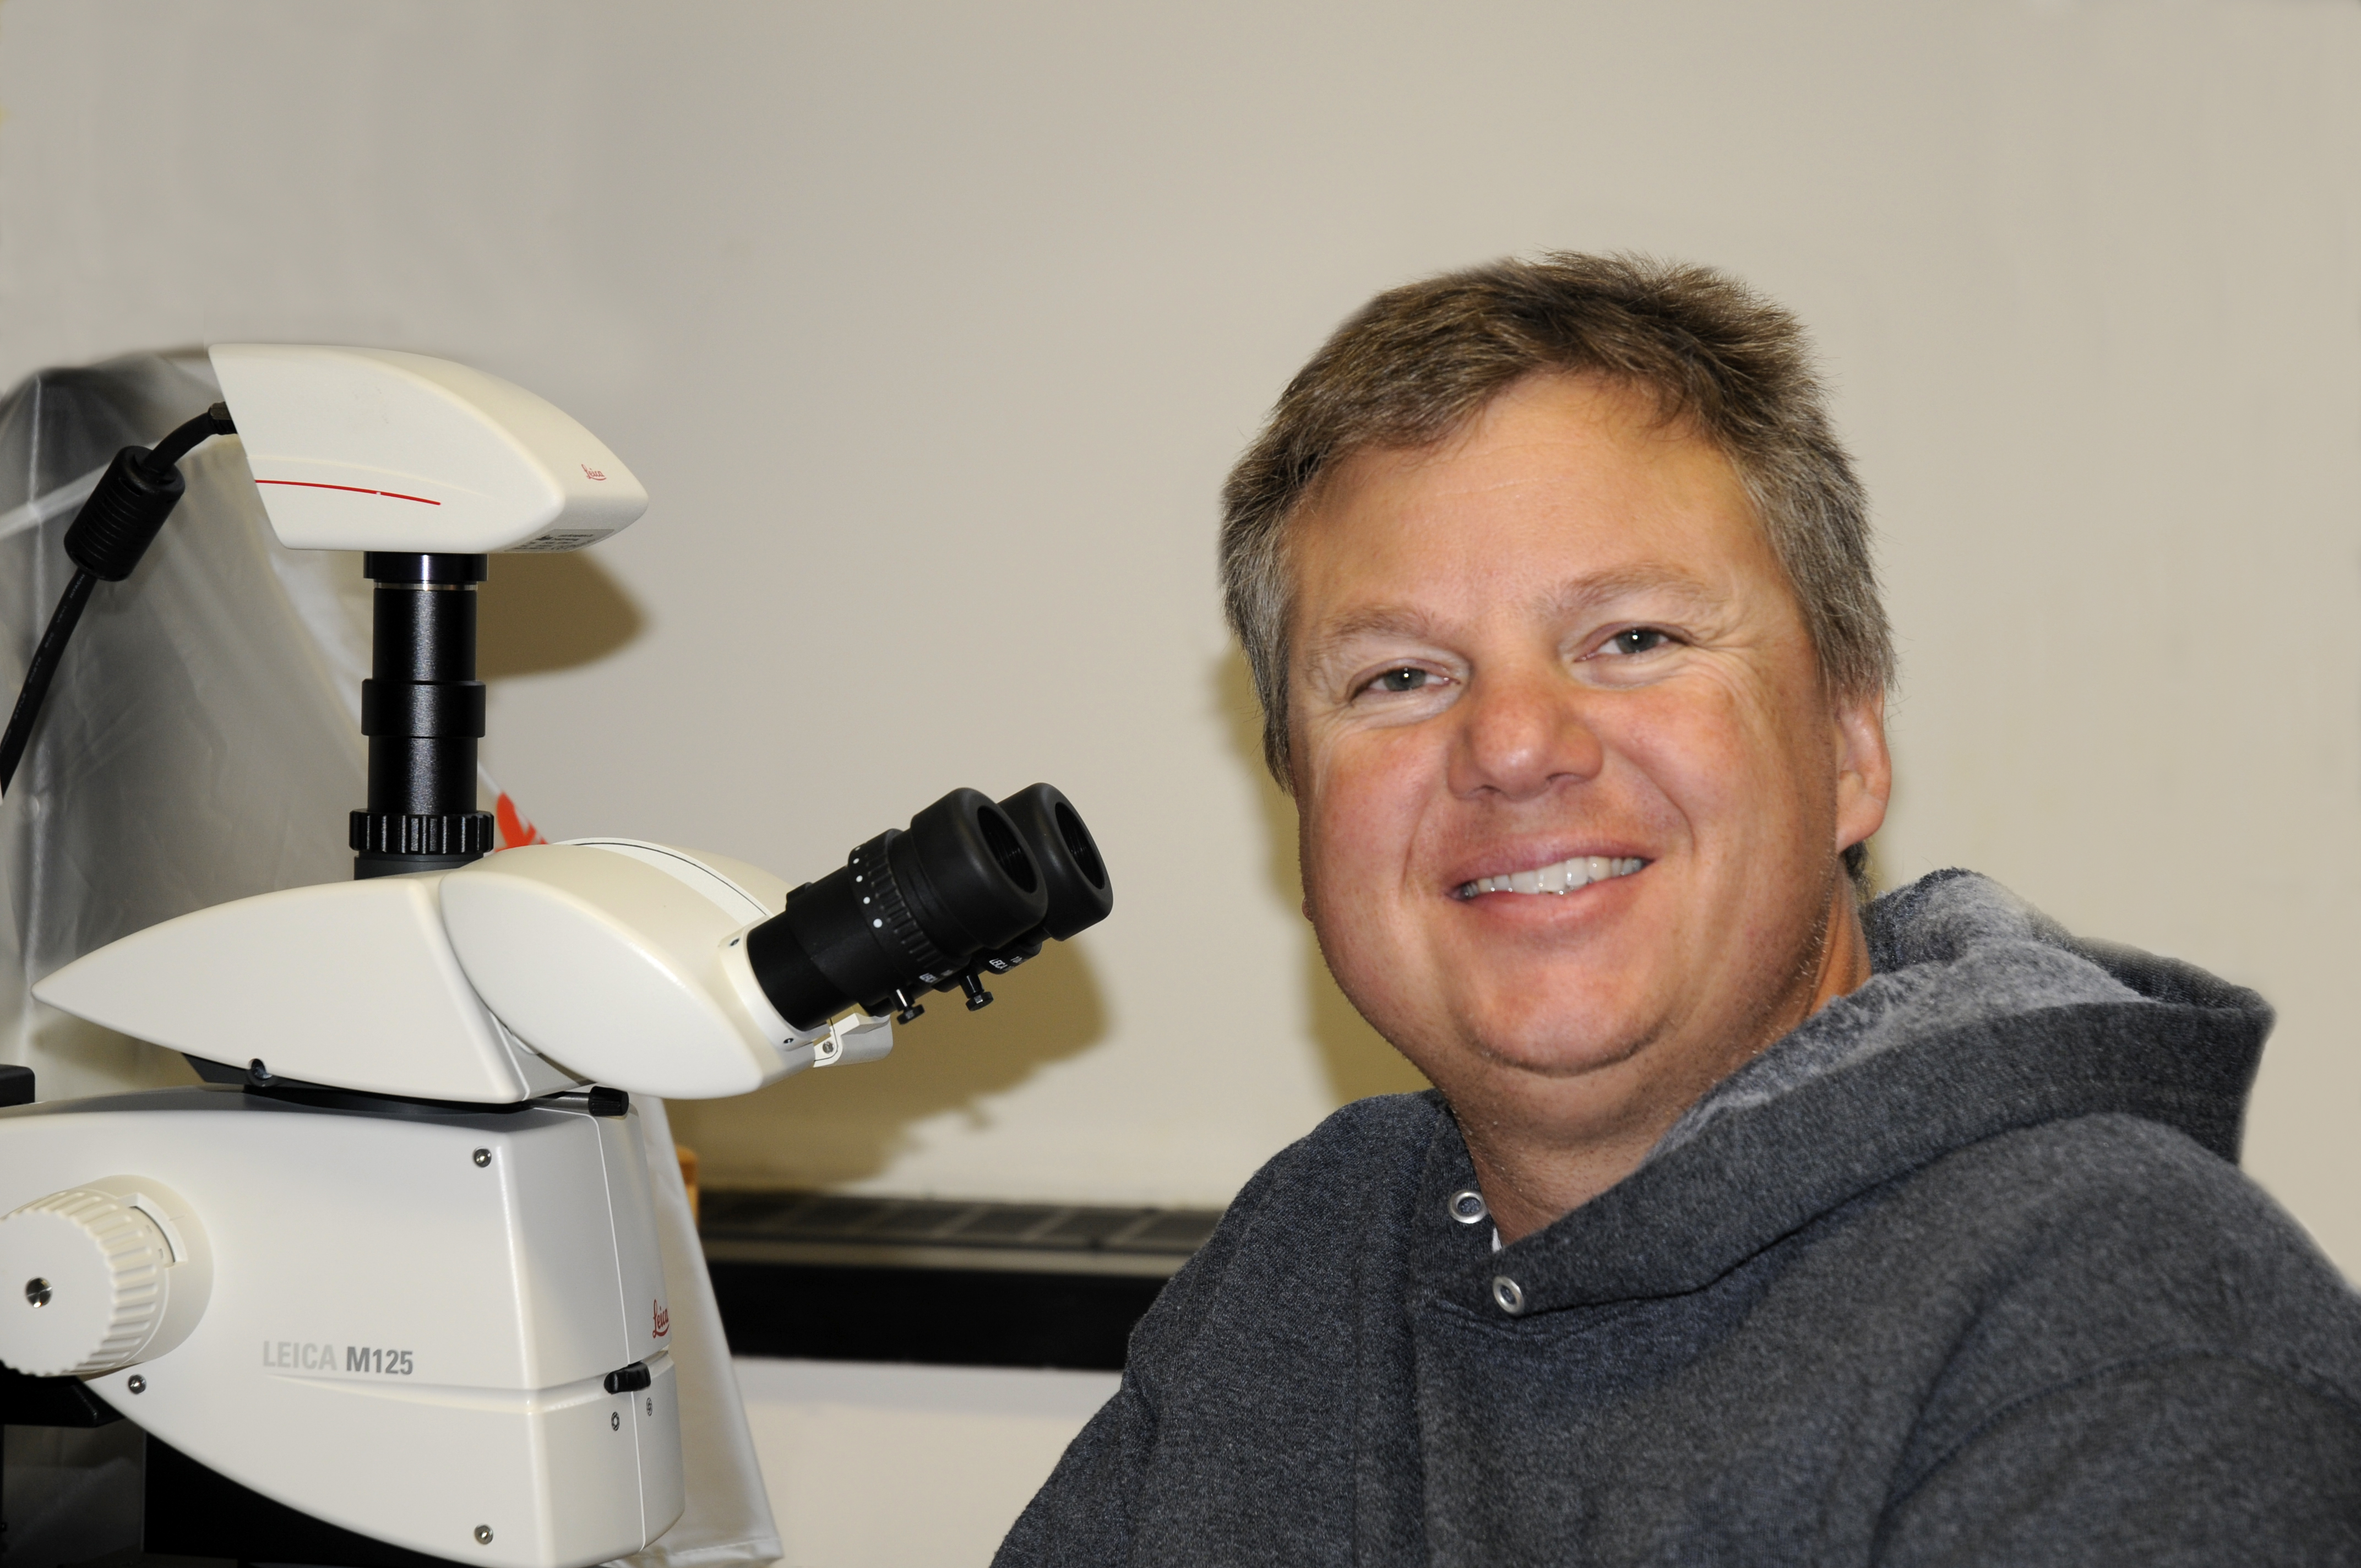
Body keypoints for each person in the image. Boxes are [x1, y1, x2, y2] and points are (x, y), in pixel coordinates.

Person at [995, 253, 2361, 1565]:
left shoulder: (2122, 1322)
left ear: (1847, 745)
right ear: (1298, 800)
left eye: (1632, 640)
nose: (1512, 744)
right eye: (1398, 677)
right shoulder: (1312, 1253)